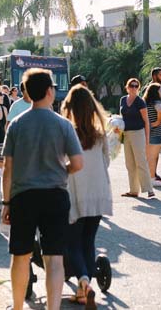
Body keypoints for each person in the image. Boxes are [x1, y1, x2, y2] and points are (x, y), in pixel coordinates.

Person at [2, 68, 84, 310]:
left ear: (26, 92)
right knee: (54, 259)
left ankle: (17, 306)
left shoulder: (16, 125)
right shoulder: (63, 125)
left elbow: (8, 169)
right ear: (50, 91)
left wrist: (6, 203)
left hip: (23, 197)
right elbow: (78, 163)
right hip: (55, 196)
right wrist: (61, 171)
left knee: (20, 255)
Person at [62, 85, 113, 308]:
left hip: (76, 193)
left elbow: (63, 164)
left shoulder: (67, 133)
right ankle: (84, 289)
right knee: (89, 240)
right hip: (99, 193)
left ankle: (83, 282)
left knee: (72, 242)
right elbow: (107, 161)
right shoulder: (100, 134)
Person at [119, 78, 153, 199]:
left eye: (136, 86)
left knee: (141, 161)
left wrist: (147, 138)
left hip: (138, 133)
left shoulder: (140, 102)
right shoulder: (123, 100)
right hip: (126, 134)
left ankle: (149, 189)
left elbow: (146, 121)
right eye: (131, 86)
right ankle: (133, 190)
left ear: (138, 88)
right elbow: (122, 117)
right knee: (129, 163)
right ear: (127, 87)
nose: (134, 88)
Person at [143, 82, 161, 185]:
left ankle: (147, 179)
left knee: (148, 157)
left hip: (148, 131)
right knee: (153, 157)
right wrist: (157, 122)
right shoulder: (156, 101)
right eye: (160, 90)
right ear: (156, 92)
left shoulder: (145, 102)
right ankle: (151, 179)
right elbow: (160, 111)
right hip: (156, 131)